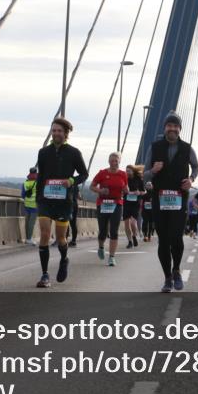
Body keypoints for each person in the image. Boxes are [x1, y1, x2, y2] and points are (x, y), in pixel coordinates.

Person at [142, 112, 198, 292]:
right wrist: (153, 170)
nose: (172, 129)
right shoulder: (155, 147)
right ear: (165, 128)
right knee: (163, 241)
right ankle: (167, 277)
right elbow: (144, 174)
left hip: (179, 199)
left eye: (176, 126)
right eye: (169, 126)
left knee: (176, 237)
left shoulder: (187, 148)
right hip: (159, 200)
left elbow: (196, 166)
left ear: (180, 129)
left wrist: (191, 179)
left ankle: (176, 270)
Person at [34, 117, 88, 287]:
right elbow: (41, 177)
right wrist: (38, 198)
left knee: (61, 238)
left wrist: (71, 181)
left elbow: (84, 174)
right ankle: (44, 275)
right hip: (45, 200)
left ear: (66, 134)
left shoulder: (74, 152)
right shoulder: (43, 152)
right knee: (44, 234)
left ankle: (64, 259)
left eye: (59, 131)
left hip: (64, 201)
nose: (56, 133)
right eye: (54, 130)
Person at [91, 153, 127, 266]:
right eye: (112, 161)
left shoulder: (123, 174)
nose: (114, 163)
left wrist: (126, 190)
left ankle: (112, 257)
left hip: (117, 204)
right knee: (103, 231)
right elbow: (92, 186)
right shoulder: (102, 173)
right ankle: (101, 247)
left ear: (119, 162)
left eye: (116, 161)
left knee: (114, 231)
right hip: (102, 204)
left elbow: (125, 187)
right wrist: (100, 191)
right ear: (108, 161)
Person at [123, 164, 145, 248]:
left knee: (133, 222)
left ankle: (134, 236)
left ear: (133, 171)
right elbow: (121, 190)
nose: (127, 172)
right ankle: (129, 241)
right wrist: (124, 191)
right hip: (126, 203)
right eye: (126, 171)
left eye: (129, 171)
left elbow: (144, 191)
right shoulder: (124, 179)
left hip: (135, 203)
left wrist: (139, 192)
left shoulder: (138, 179)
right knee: (126, 223)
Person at [21, 168, 38, 245]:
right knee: (31, 223)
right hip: (35, 205)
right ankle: (29, 239)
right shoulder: (38, 182)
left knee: (27, 222)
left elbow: (23, 195)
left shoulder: (25, 183)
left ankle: (27, 238)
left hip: (27, 204)